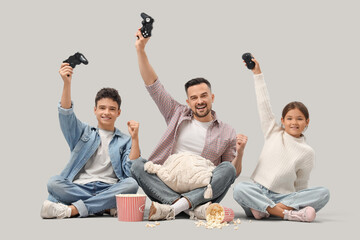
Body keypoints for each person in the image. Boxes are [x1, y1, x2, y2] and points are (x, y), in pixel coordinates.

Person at [131, 29, 248, 221]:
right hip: (167, 181)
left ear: (212, 97)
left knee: (227, 169)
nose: (199, 101)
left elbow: (231, 174)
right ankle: (192, 208)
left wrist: (241, 152)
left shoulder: (227, 131)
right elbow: (153, 84)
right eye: (194, 98)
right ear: (188, 102)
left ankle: (173, 208)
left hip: (201, 186)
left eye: (203, 96)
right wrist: (140, 50)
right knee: (136, 166)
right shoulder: (176, 113)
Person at [233, 57, 330, 222]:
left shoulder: (308, 152)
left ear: (307, 122)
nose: (294, 122)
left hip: (283, 199)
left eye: (299, 119)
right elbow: (263, 103)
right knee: (240, 188)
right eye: (290, 118)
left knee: (324, 193)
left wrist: (296, 201)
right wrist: (257, 73)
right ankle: (287, 215)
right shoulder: (273, 132)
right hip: (257, 193)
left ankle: (268, 210)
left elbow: (301, 185)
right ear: (283, 121)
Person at [40, 62, 141, 219]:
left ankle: (73, 209)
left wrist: (135, 139)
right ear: (95, 110)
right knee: (53, 182)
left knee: (131, 185)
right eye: (102, 108)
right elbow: (66, 115)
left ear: (118, 112)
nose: (106, 112)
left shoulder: (125, 140)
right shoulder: (83, 132)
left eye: (112, 109)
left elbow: (130, 173)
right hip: (80, 187)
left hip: (109, 188)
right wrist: (67, 84)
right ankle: (104, 207)